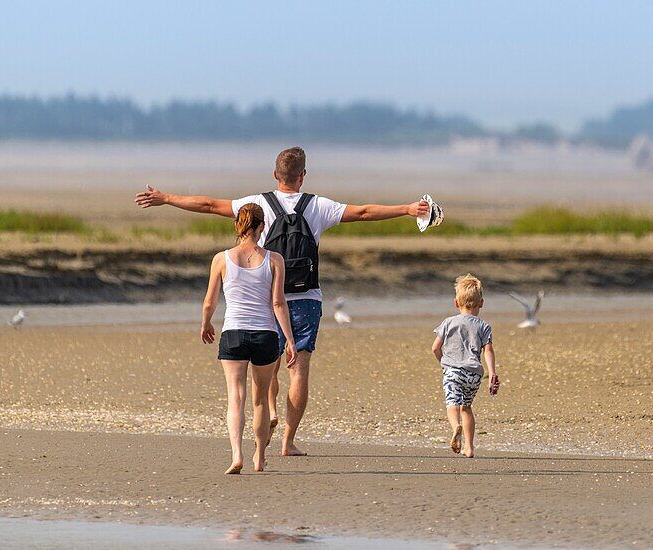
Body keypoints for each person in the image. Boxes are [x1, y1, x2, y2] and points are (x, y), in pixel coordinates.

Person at [135, 146, 430, 456]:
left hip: (268, 299)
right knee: (299, 369)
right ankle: (288, 441)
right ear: (302, 176)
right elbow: (365, 212)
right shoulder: (317, 206)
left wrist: (166, 198)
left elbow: (209, 205)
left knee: (268, 367)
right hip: (306, 299)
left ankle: (270, 410)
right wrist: (408, 209)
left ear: (276, 175)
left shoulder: (258, 204)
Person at [201, 203, 297, 474]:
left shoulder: (221, 258)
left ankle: (236, 455)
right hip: (265, 334)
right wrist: (289, 340)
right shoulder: (274, 259)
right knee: (261, 399)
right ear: (261, 227)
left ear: (238, 226)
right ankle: (259, 456)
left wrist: (206, 323)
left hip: (233, 332)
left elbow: (210, 301)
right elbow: (278, 303)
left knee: (236, 397)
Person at [431, 274, 499, 458]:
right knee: (466, 407)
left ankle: (456, 427)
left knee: (452, 403)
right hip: (473, 374)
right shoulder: (484, 326)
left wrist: (445, 365)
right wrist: (492, 373)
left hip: (452, 371)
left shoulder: (448, 322)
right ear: (482, 303)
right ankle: (469, 448)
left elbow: (435, 348)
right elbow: (488, 350)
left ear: (456, 303)